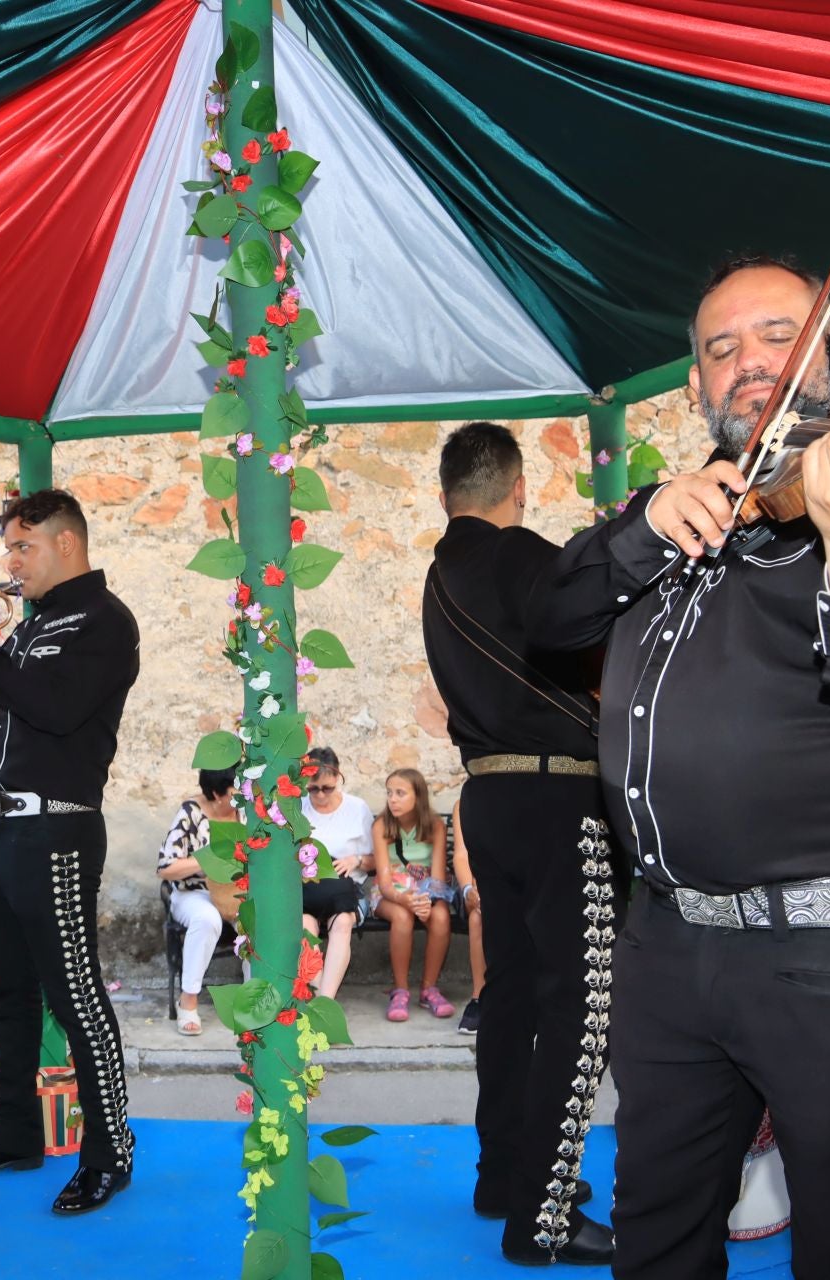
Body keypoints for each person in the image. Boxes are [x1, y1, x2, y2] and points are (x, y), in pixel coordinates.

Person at [529, 255, 830, 1279]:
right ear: (693, 385)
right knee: (657, 1232)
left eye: (779, 335)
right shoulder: (675, 500)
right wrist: (642, 528)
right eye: (721, 349)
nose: (750, 363)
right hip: (675, 941)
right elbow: (553, 620)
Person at [0, 489, 140, 1216]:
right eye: (8, 547)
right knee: (10, 997)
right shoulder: (38, 622)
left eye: (23, 547)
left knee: (76, 997)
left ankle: (111, 1153)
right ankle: (13, 1131)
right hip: (3, 832)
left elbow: (53, 704)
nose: (10, 560)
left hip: (59, 831)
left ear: (66, 543)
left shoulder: (105, 622)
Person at [421, 420, 610, 1265]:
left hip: (488, 793)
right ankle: (544, 1212)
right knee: (581, 1001)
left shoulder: (439, 574)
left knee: (511, 991)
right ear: (519, 486)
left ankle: (504, 1172)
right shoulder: (533, 556)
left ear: (445, 493)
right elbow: (595, 650)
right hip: (562, 791)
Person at [157, 767, 236, 1035]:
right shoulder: (191, 813)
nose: (240, 801)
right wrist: (206, 860)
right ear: (216, 793)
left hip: (237, 892)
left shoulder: (246, 812)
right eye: (234, 795)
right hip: (193, 892)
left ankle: (257, 1000)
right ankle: (188, 1000)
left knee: (259, 919)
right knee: (207, 918)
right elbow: (165, 868)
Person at [370, 768, 454, 1022]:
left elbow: (438, 878)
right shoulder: (382, 826)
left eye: (400, 793)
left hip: (425, 891)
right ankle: (401, 990)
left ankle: (429, 989)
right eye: (389, 793)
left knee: (440, 917)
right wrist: (405, 900)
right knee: (403, 917)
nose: (392, 799)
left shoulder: (435, 826)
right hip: (391, 893)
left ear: (418, 797)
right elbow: (384, 882)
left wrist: (426, 900)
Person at [300, 746, 371, 1002]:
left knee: (342, 923)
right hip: (308, 890)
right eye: (313, 789)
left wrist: (357, 859)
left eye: (327, 788)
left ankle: (325, 1002)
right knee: (305, 927)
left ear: (338, 778)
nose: (319, 795)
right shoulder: (297, 808)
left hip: (347, 891)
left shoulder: (357, 808)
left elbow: (376, 860)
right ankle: (320, 1001)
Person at [448, 798, 487, 1035]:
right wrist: (468, 890)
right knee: (478, 917)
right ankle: (478, 998)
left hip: (516, 885)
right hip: (477, 884)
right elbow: (461, 855)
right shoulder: (466, 802)